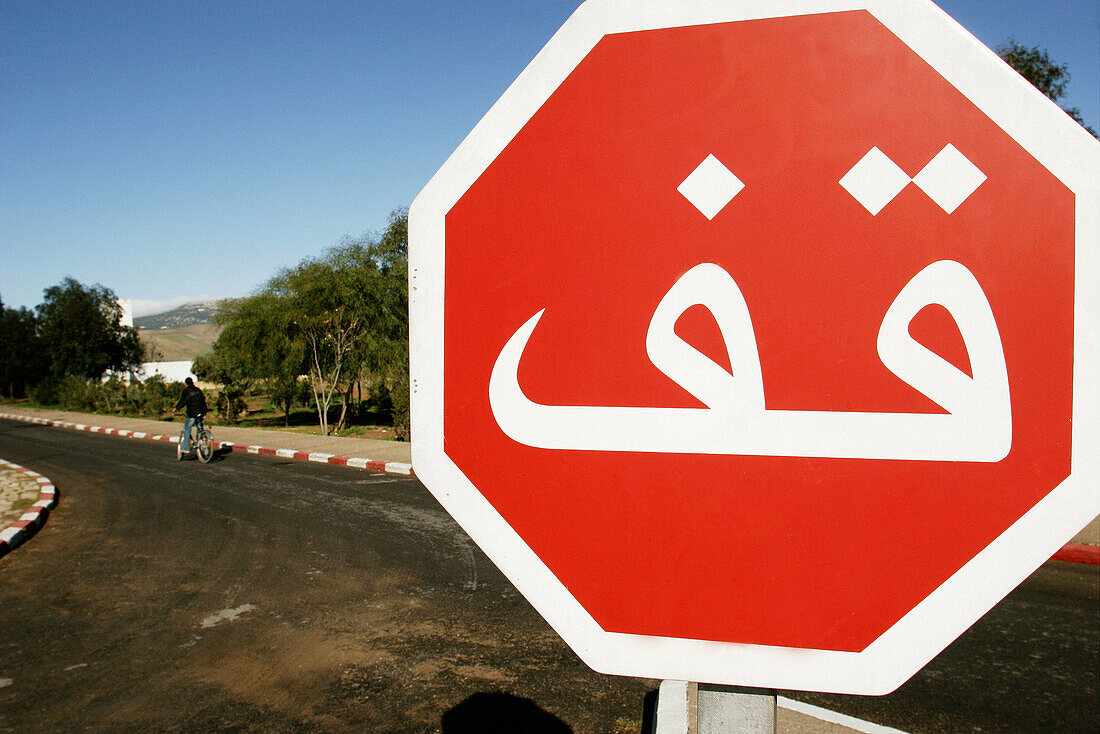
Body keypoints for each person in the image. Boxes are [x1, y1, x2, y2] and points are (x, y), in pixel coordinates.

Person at [175, 377, 207, 455]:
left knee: (187, 428)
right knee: (199, 427)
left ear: (186, 384)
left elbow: (183, 401)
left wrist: (176, 408)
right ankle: (202, 442)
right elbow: (203, 400)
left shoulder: (187, 391)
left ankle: (185, 448)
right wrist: (204, 412)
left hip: (192, 413)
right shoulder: (198, 390)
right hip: (201, 412)